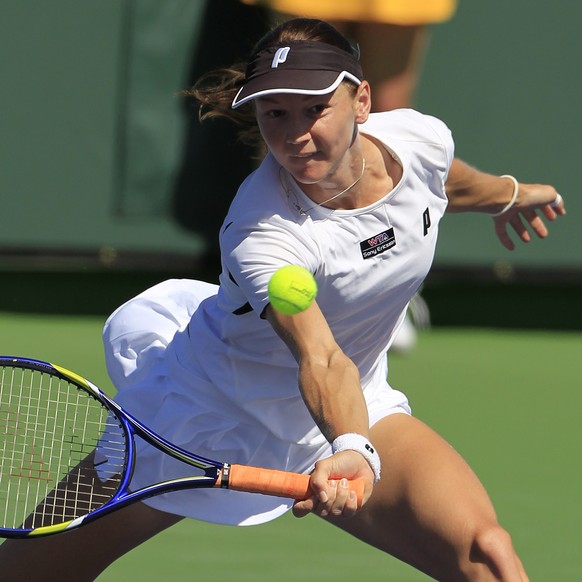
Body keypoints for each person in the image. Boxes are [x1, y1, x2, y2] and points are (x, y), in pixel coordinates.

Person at [0, 17, 565, 581]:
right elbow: (319, 355)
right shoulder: (262, 233)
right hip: (205, 416)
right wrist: (353, 447)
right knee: (27, 574)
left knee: (487, 554)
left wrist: (510, 196)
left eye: (313, 109)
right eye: (275, 113)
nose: (295, 135)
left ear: (362, 100)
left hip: (358, 400)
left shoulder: (418, 139)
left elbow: (444, 182)